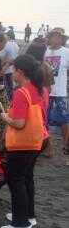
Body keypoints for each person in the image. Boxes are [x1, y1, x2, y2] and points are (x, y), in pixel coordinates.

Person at [0, 55, 48, 228]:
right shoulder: (40, 89)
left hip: (23, 143)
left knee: (16, 180)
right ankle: (28, 215)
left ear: (20, 71)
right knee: (26, 178)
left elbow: (19, 123)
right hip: (38, 140)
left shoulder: (21, 92)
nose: (12, 73)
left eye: (14, 70)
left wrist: (6, 118)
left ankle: (21, 224)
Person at [44, 28, 69, 161]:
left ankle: (66, 145)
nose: (53, 39)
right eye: (52, 36)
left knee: (64, 121)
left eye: (56, 37)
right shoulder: (47, 51)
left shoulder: (66, 52)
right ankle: (49, 147)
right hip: (47, 92)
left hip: (60, 93)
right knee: (45, 121)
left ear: (61, 39)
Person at [0, 31, 20, 101]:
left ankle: (7, 100)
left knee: (5, 87)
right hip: (12, 69)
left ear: (8, 36)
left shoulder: (6, 45)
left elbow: (1, 57)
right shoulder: (16, 45)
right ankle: (12, 100)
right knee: (11, 86)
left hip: (5, 69)